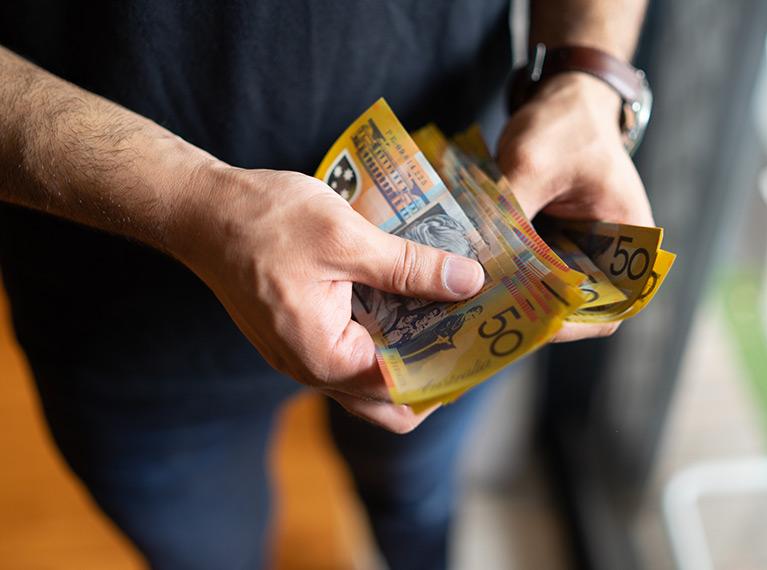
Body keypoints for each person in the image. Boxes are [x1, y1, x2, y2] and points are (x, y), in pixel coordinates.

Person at [0, 1, 654, 569]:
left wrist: (589, 77)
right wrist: (195, 205)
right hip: (125, 306)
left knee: (418, 497)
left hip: (475, 193)